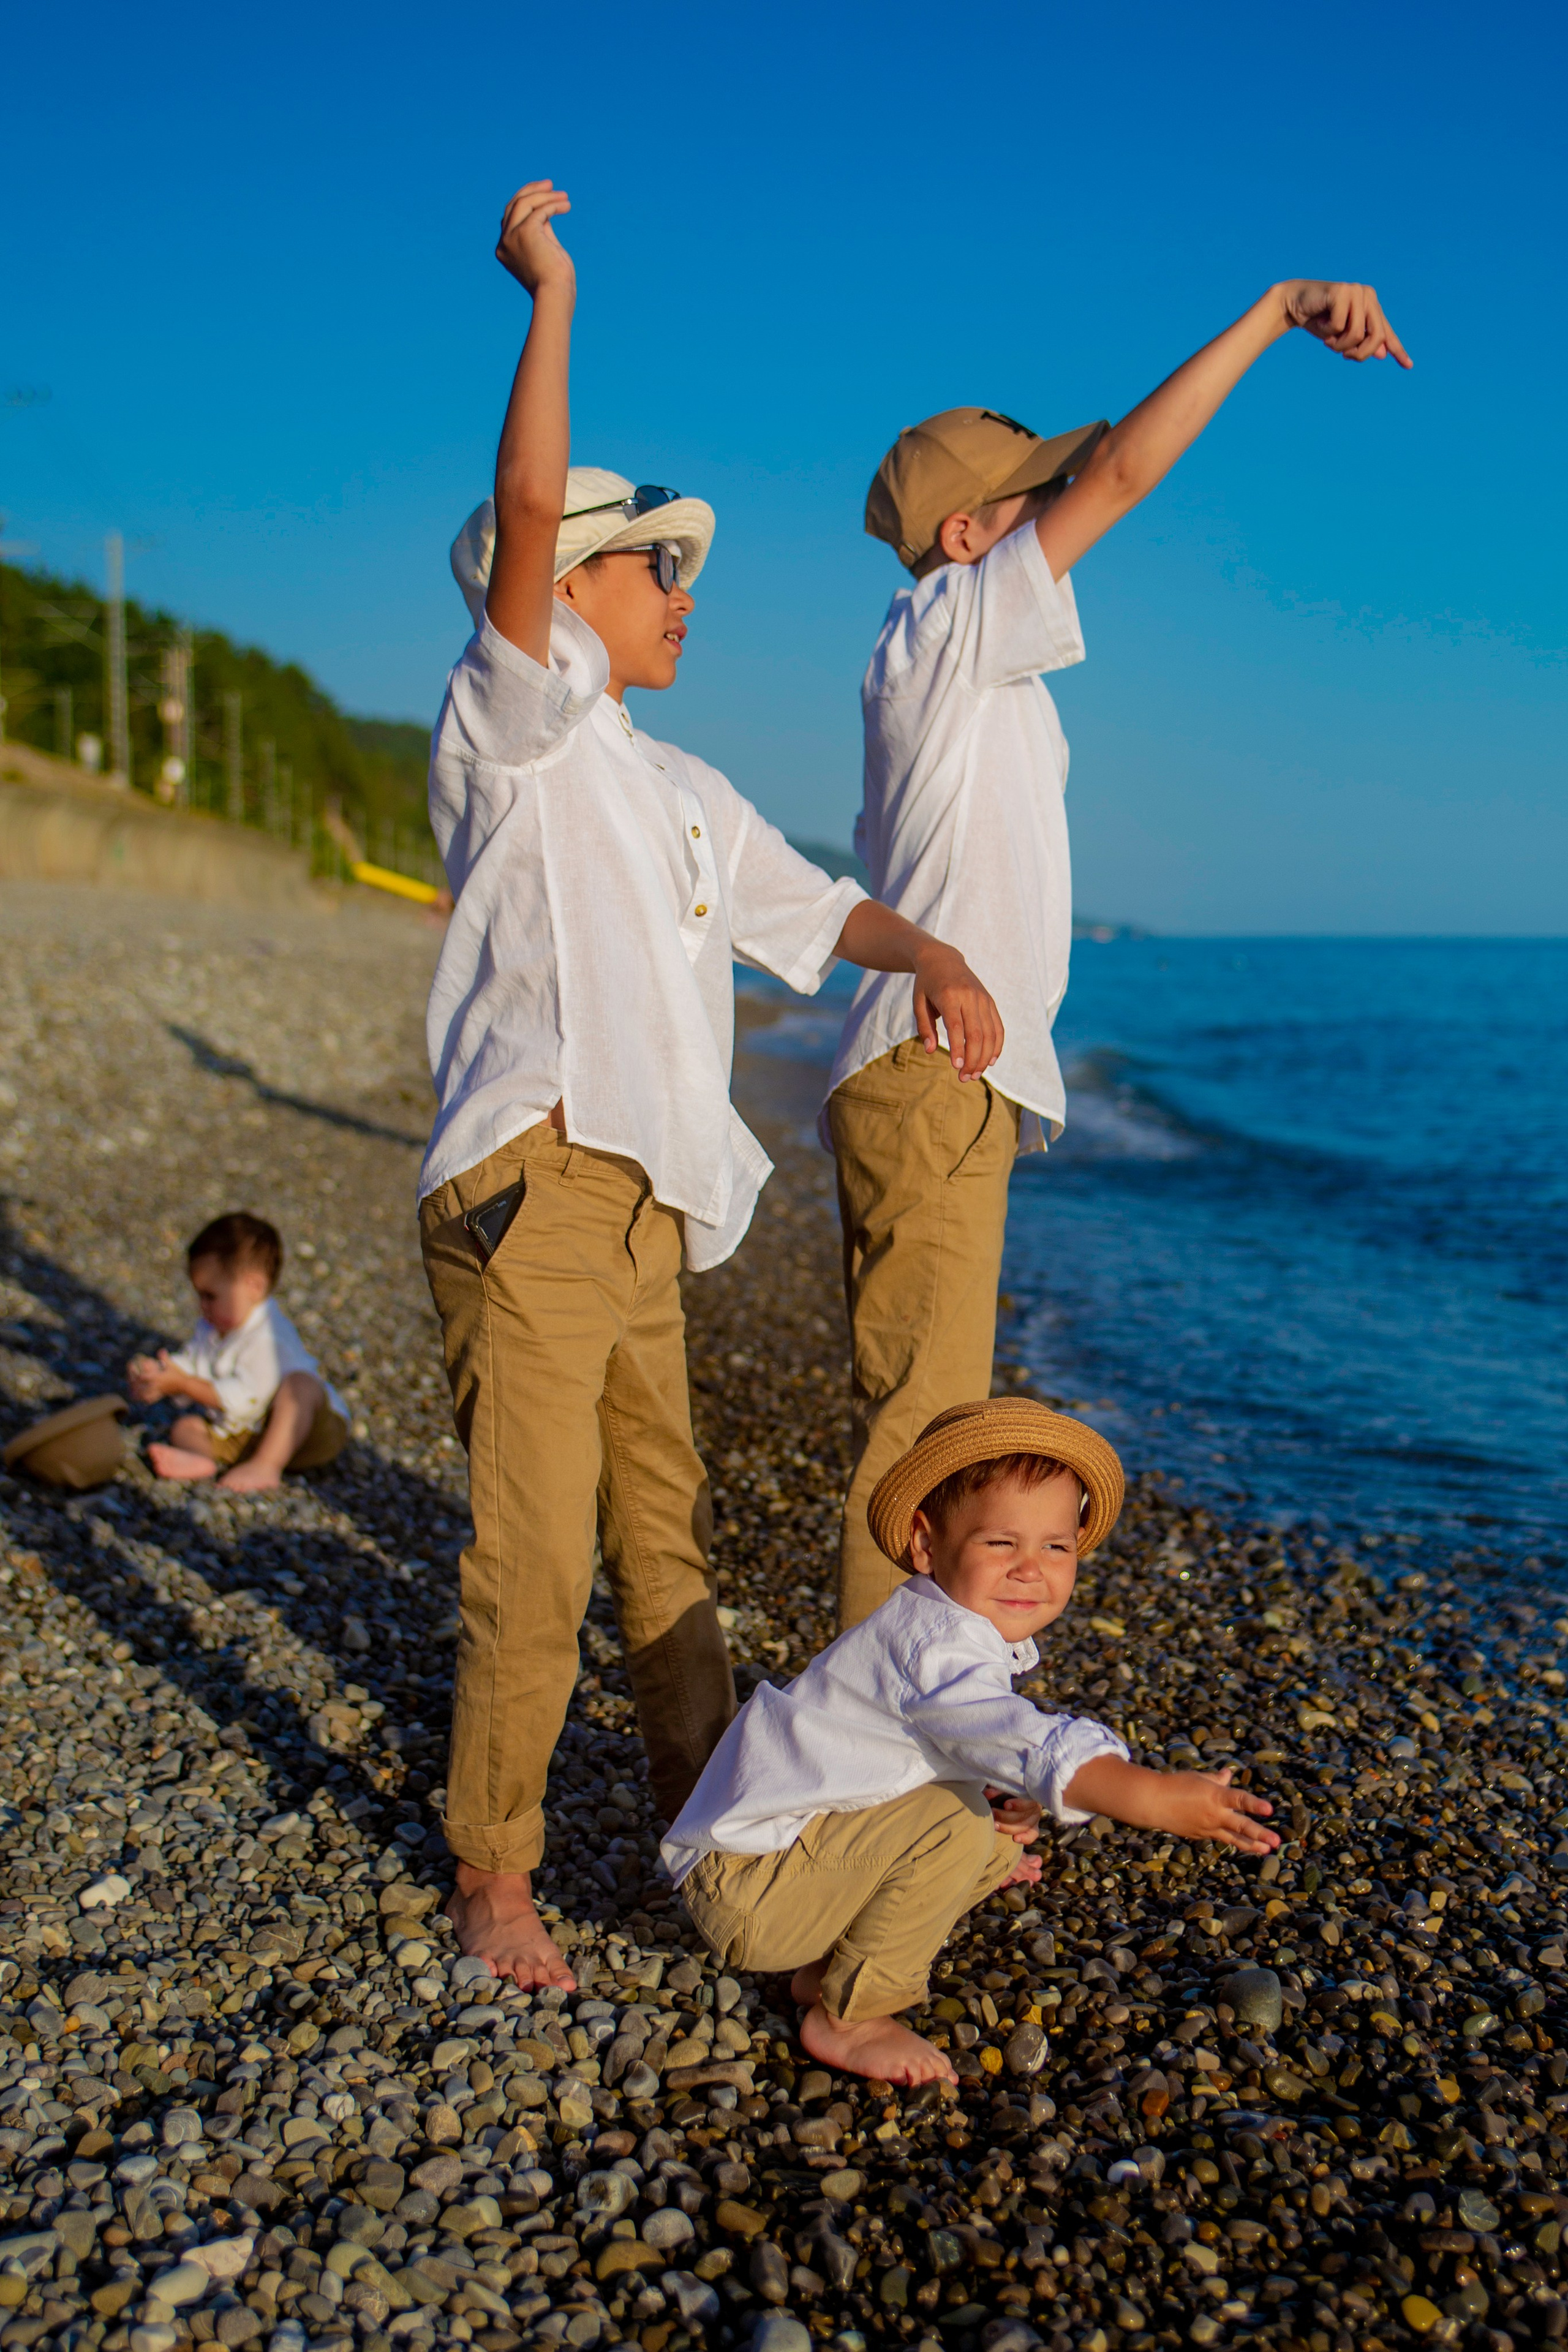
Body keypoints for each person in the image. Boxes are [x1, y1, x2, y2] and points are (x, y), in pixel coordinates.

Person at [419, 179, 1005, 1992]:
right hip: (532, 1183)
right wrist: (554, 292)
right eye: (654, 561)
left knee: (662, 1544)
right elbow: (529, 504)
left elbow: (812, 904)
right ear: (569, 588)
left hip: (650, 1204)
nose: (685, 590)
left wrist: (937, 958)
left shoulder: (673, 778)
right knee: (532, 1556)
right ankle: (493, 1875)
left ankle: (711, 1820)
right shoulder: (518, 727)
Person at [829, 282, 1412, 1631]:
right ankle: (869, 1767)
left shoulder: (966, 677)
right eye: (1038, 498)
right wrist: (1270, 316)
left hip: (940, 1073)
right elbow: (1131, 467)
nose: (1068, 512)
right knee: (919, 1441)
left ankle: (917, 1732)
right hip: (933, 1073)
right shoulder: (945, 632)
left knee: (929, 1424)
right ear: (966, 537)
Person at [665, 1396, 1278, 2085]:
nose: (1030, 1568)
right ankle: (849, 2016)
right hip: (749, 1890)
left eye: (1055, 1546)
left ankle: (827, 1969)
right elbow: (1024, 1739)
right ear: (927, 1545)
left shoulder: (940, 1627)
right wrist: (1152, 1798)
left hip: (777, 1865)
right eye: (1000, 1543)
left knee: (986, 1836)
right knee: (954, 1831)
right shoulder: (935, 1651)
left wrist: (999, 1797)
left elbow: (934, 1749)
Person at [128, 1212, 349, 1491]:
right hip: (246, 1433)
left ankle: (266, 1466)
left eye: (210, 1296)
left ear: (254, 1287)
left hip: (307, 1433)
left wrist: (183, 1384)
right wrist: (161, 1375)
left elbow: (245, 1398)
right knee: (186, 1426)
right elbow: (194, 1362)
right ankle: (199, 1459)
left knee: (301, 1385)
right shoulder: (213, 1326)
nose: (202, 1306)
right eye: (199, 1295)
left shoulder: (269, 1337)